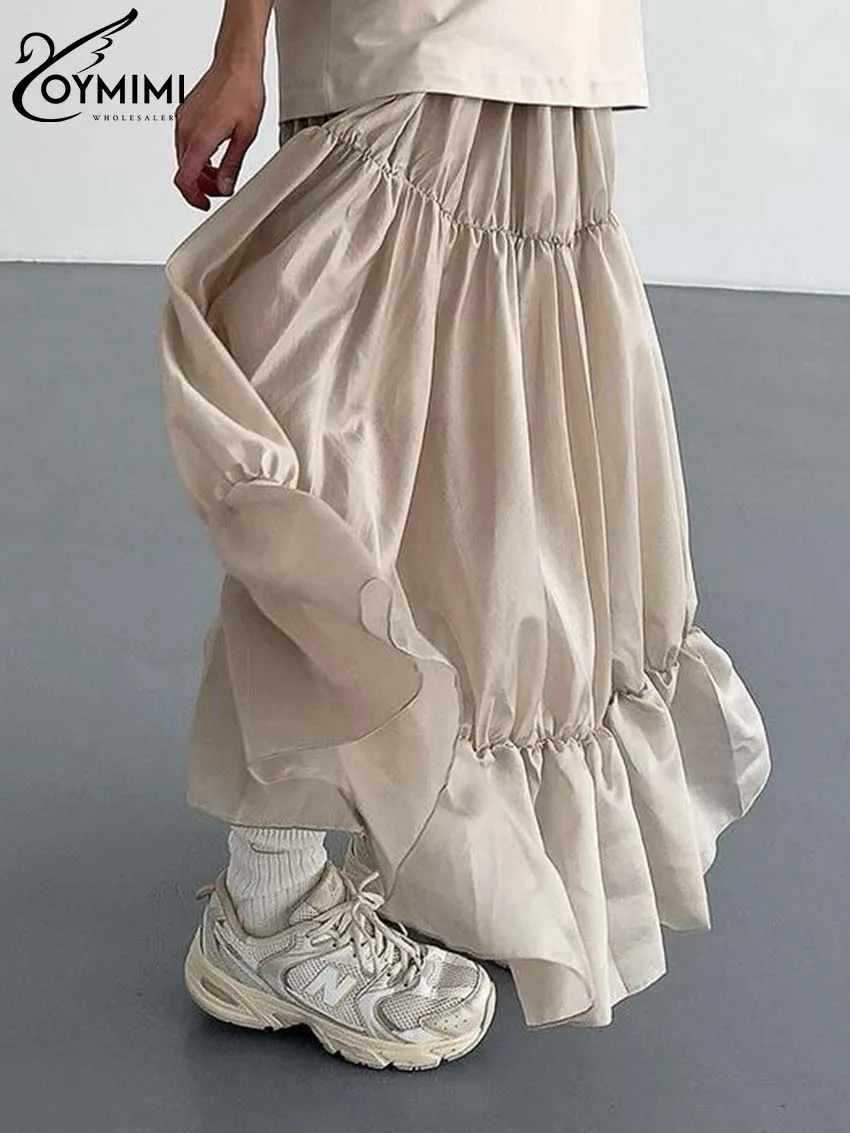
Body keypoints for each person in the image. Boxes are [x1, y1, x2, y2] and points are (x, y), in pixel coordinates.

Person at [158, 0, 772, 1071]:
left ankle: (427, 842)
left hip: (553, 51)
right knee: (340, 469)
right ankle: (269, 897)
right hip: (415, 40)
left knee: (490, 474)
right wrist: (237, 45)